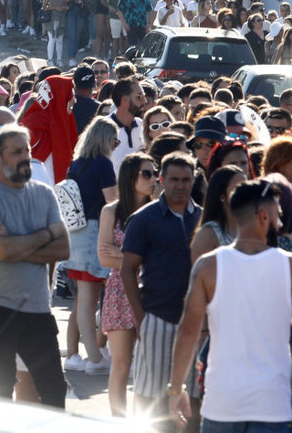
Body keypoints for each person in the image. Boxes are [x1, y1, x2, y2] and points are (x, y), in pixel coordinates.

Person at [168, 180, 292, 433]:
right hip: (272, 403)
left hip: (222, 403)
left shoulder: (207, 266)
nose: (280, 224)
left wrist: (175, 388)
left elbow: (188, 331)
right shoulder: (290, 266)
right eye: (278, 217)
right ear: (263, 216)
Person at [0, 125, 70, 408]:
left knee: (54, 390)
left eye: (27, 150)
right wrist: (44, 236)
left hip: (37, 308)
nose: (26, 157)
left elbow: (63, 248)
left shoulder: (44, 193)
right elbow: (2, 251)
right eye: (17, 152)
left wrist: (18, 245)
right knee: (0, 391)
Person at [121, 152, 201, 419]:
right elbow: (127, 270)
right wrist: (141, 319)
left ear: (194, 180)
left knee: (192, 402)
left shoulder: (204, 219)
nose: (180, 185)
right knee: (151, 401)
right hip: (157, 319)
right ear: (162, 180)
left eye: (186, 180)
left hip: (196, 324)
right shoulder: (144, 219)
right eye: (174, 179)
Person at [98, 152, 157, 417]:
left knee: (150, 366)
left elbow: (161, 257)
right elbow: (102, 256)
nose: (153, 178)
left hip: (153, 291)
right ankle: (119, 423)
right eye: (147, 173)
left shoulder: (158, 210)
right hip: (119, 291)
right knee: (121, 366)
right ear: (130, 177)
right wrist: (138, 259)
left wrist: (123, 256)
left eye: (154, 173)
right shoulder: (111, 210)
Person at [61, 117, 118, 376]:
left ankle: (74, 354)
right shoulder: (103, 164)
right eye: (114, 141)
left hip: (76, 232)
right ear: (106, 139)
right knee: (88, 298)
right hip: (95, 231)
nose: (115, 146)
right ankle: (94, 358)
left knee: (80, 298)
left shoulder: (77, 164)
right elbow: (112, 202)